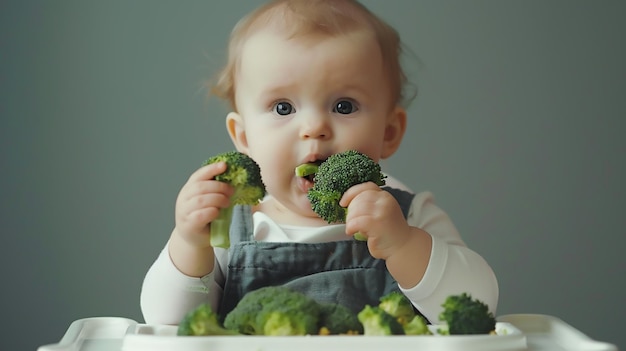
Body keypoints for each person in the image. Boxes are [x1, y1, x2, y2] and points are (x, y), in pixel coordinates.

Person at [140, 0, 498, 326]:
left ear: (389, 132)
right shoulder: (228, 226)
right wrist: (189, 244)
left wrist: (404, 245)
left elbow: (479, 307)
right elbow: (167, 321)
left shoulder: (408, 214)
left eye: (344, 106)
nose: (314, 129)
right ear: (244, 137)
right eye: (283, 108)